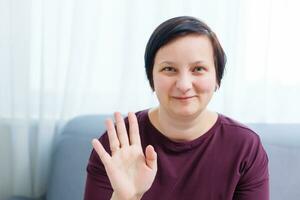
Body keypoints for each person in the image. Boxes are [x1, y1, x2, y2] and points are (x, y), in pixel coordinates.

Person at [84, 16, 269, 200]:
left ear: (217, 78)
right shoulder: (118, 146)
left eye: (198, 69)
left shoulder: (244, 147)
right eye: (169, 69)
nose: (184, 84)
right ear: (151, 78)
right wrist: (127, 197)